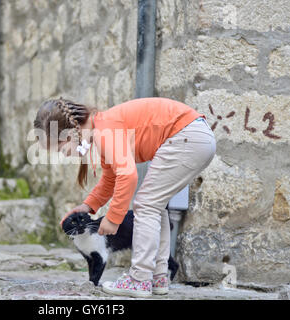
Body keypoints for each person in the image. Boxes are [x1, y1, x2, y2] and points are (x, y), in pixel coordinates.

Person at [33, 97, 216, 298]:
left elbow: (127, 176)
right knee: (155, 204)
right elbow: (110, 179)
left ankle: (139, 279)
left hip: (187, 137)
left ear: (69, 134)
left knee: (146, 204)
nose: (64, 155)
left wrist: (113, 218)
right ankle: (158, 275)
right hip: (195, 137)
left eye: (60, 149)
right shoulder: (102, 129)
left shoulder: (104, 132)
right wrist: (87, 207)